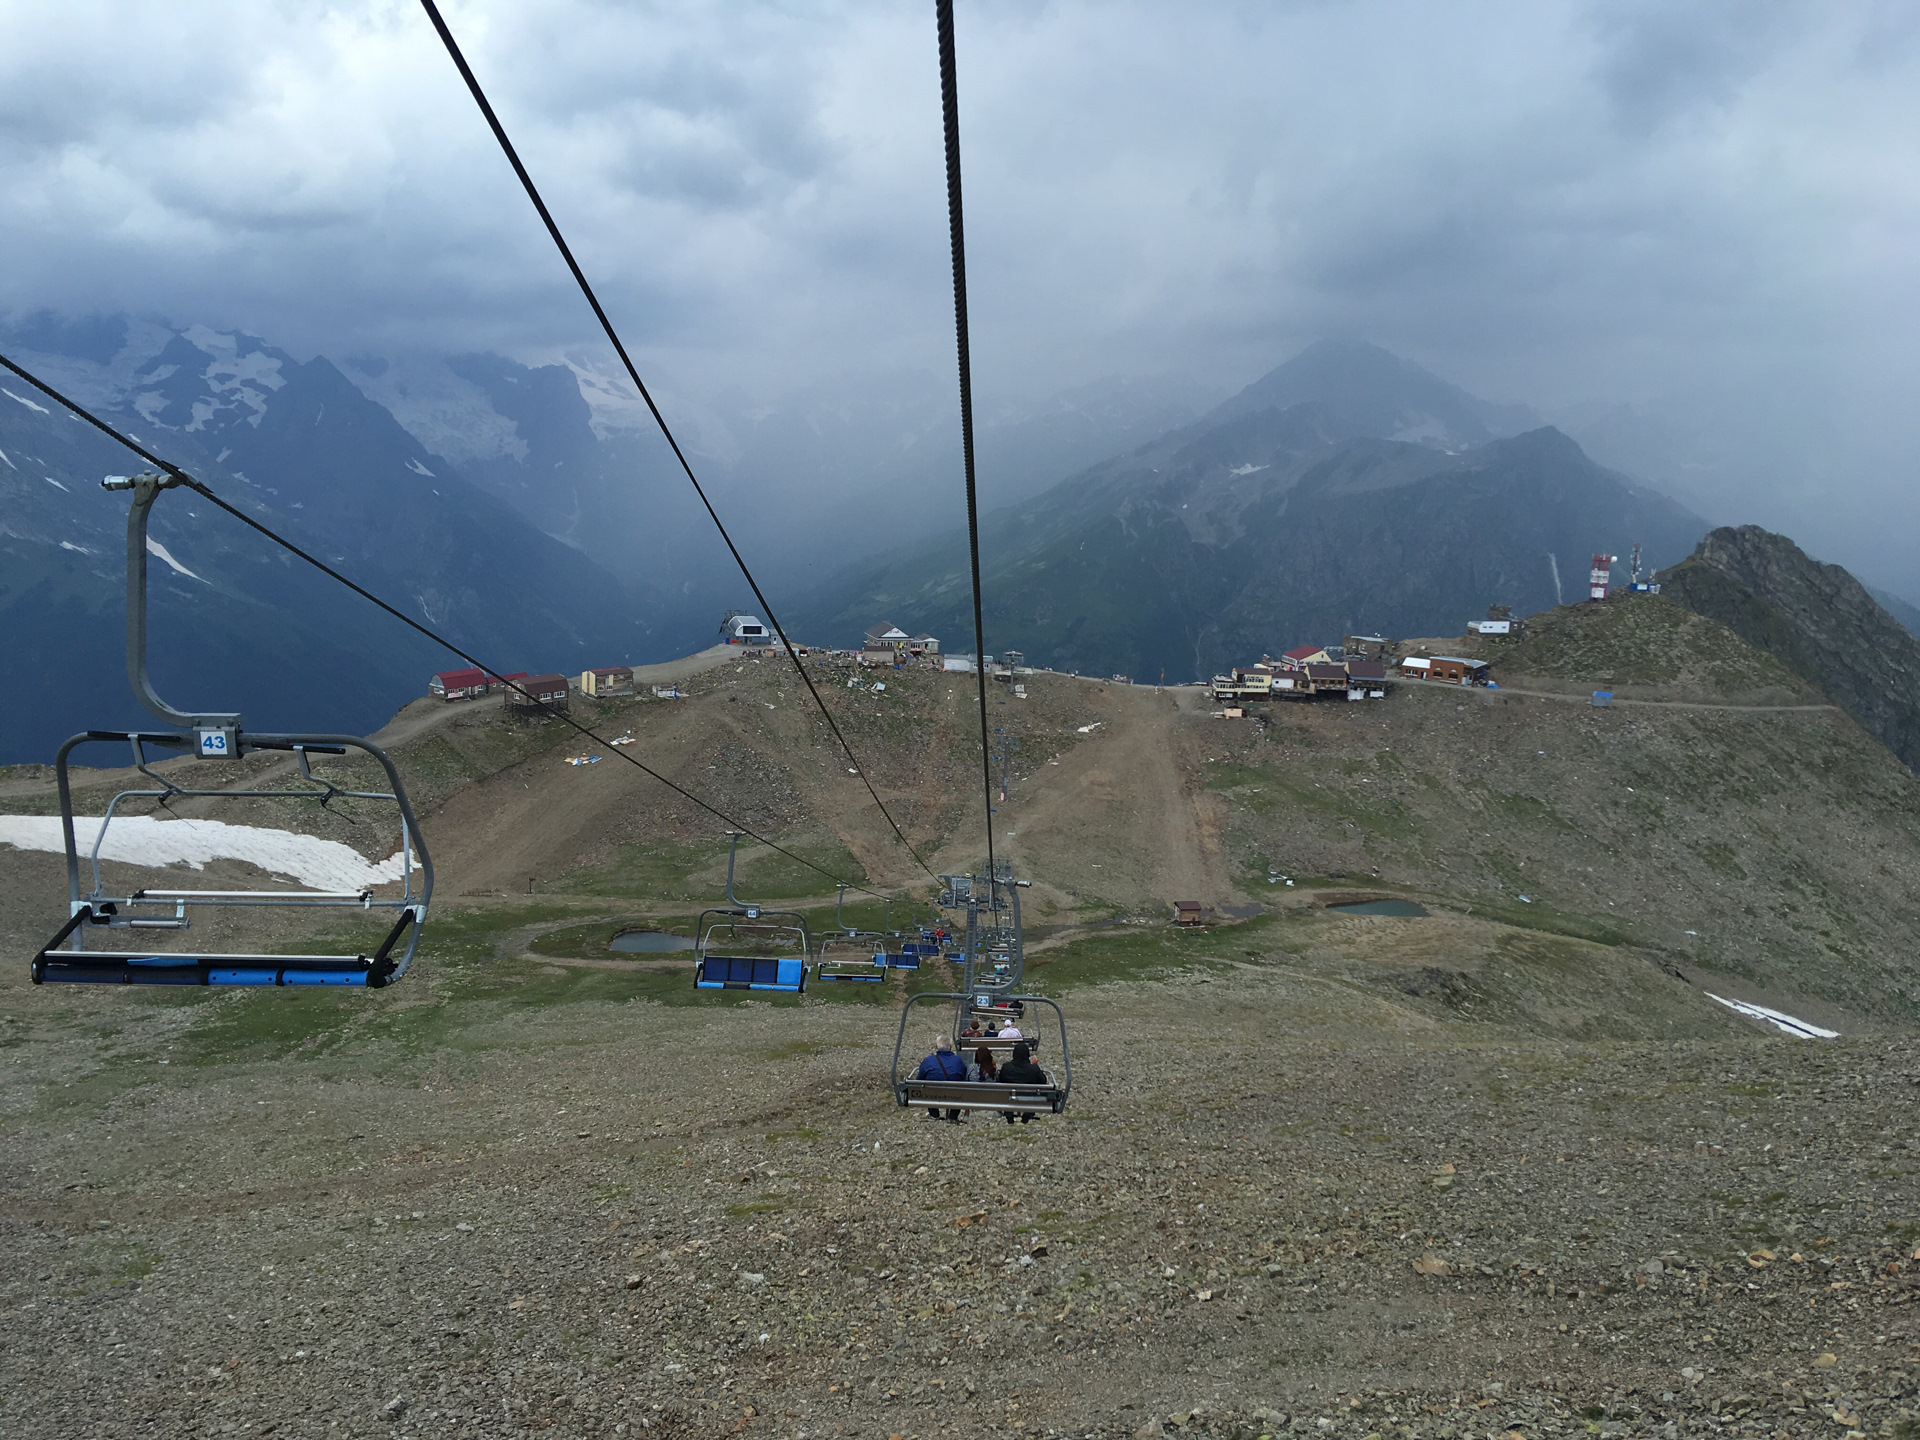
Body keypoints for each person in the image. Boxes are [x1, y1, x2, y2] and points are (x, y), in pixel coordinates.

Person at [913, 1035, 968, 1122]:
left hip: (933, 1094)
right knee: (960, 1087)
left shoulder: (928, 1061)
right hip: (955, 1095)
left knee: (929, 1088)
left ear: (937, 1047)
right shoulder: (958, 1060)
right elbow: (964, 1076)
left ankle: (934, 1115)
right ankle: (953, 1116)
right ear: (950, 1047)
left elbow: (919, 1079)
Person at [996, 1041, 1048, 1125]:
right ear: (1027, 1054)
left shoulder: (1006, 1067)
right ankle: (1028, 1114)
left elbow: (1000, 1080)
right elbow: (1043, 1081)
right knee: (1035, 1093)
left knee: (1006, 1092)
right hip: (1028, 1098)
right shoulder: (1033, 1069)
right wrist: (1035, 1065)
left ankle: (1009, 1114)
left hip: (1010, 1098)